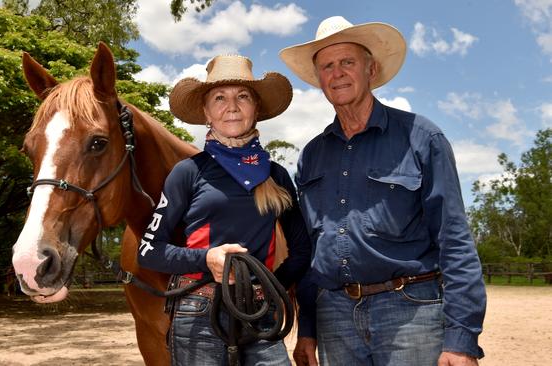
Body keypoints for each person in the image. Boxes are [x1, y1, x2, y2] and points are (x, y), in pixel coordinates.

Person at [279, 16, 487, 366]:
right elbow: (315, 252)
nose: (338, 72)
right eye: (327, 66)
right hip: (335, 316)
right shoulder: (312, 155)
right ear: (319, 80)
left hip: (410, 310)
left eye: (348, 62)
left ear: (371, 69)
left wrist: (462, 339)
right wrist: (309, 329)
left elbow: (454, 239)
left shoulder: (422, 137)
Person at [138, 54, 311, 365]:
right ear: (206, 111)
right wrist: (206, 258)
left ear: (256, 108)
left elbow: (301, 249)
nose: (232, 106)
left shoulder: (276, 176)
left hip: (260, 313)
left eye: (242, 96)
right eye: (220, 97)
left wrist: (270, 286)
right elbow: (149, 251)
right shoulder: (187, 172)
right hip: (198, 311)